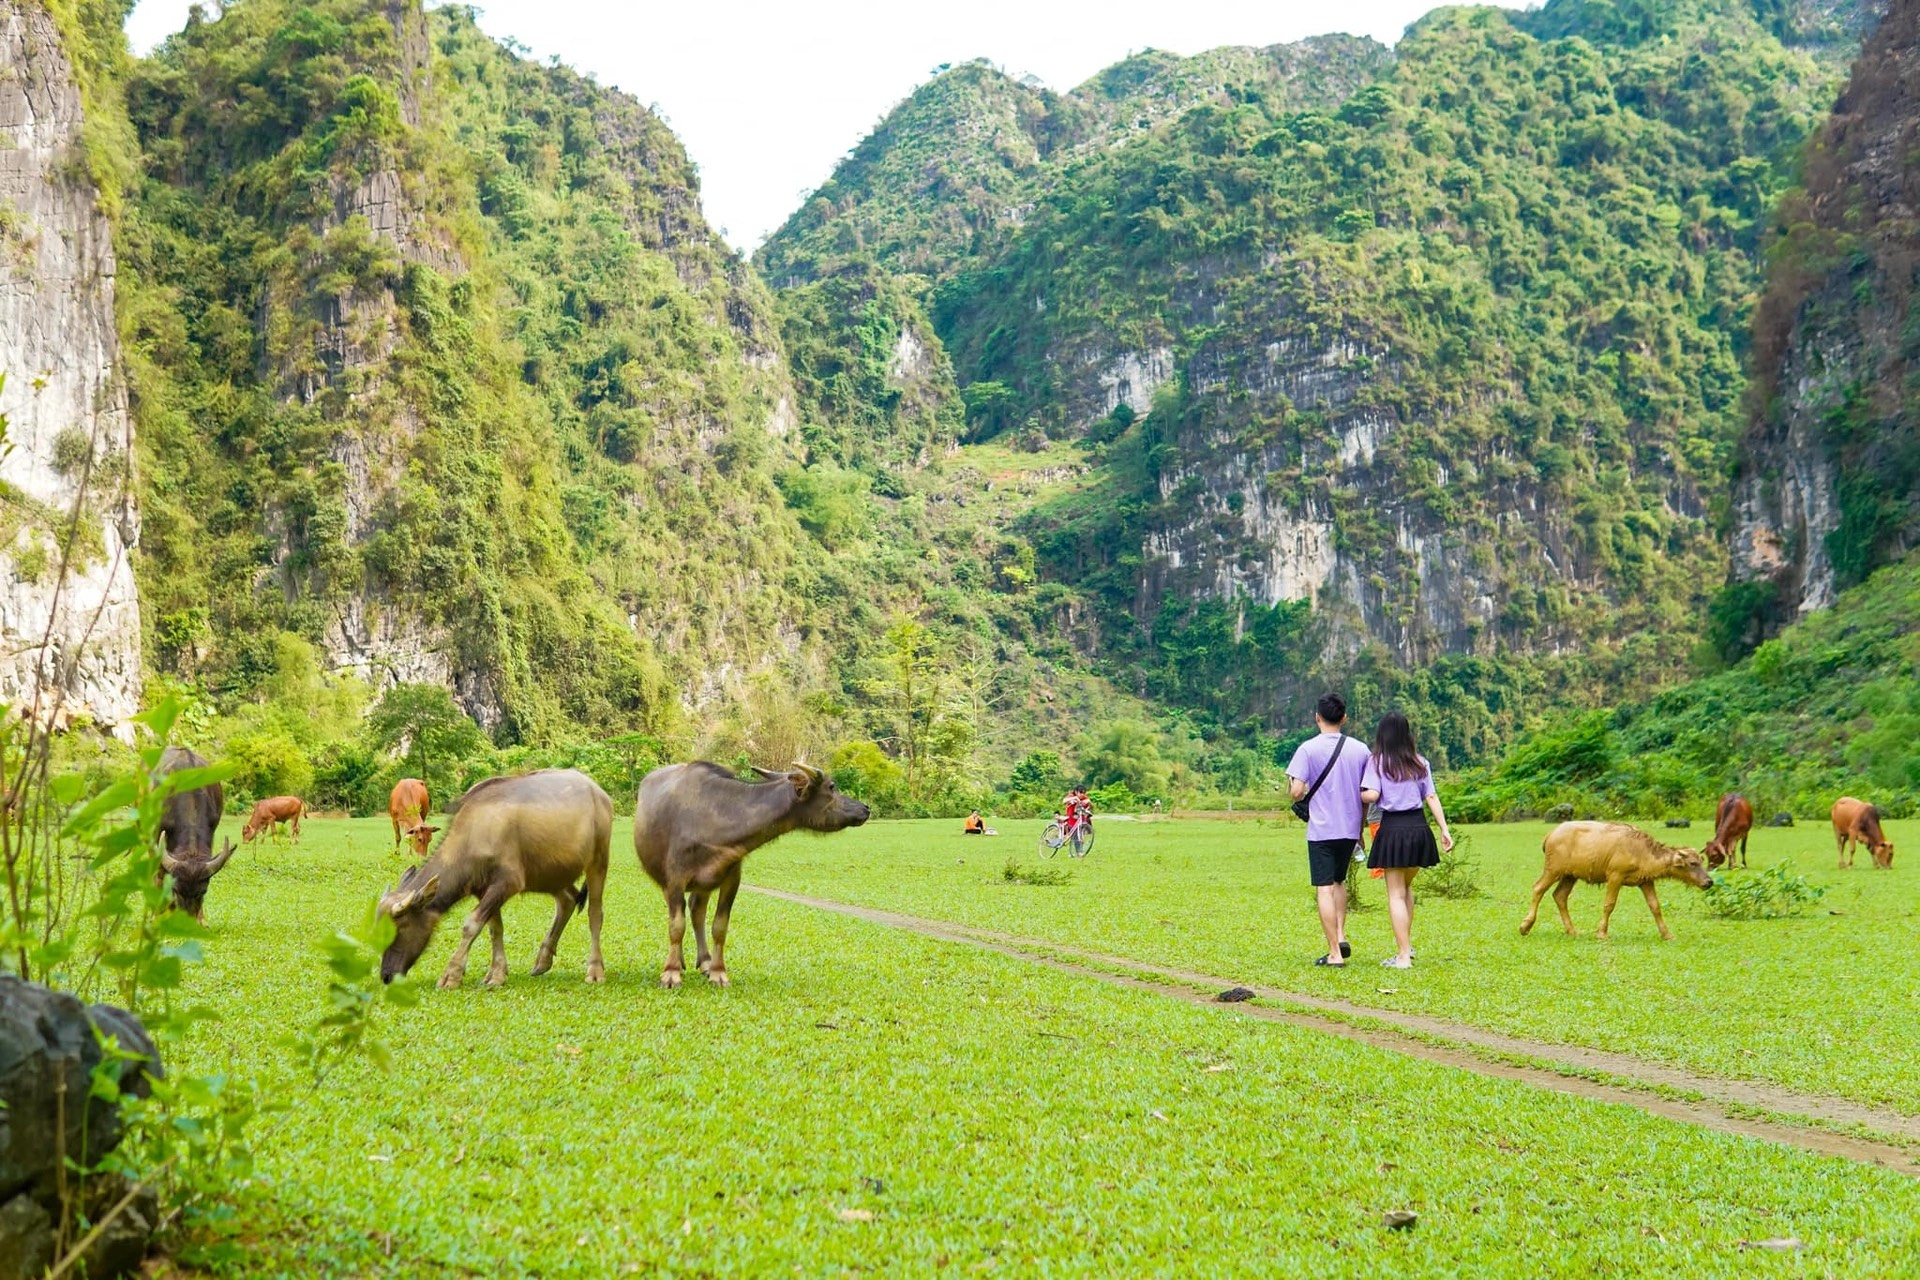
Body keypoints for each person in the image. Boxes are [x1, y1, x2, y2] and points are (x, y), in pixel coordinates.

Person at [1360, 711, 1455, 970]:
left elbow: (1373, 794)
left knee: (1395, 894)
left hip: (1393, 828)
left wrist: (1359, 793)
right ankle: (1406, 948)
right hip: (1418, 827)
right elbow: (1431, 797)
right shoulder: (1419, 762)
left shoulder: (1377, 762)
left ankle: (1402, 956)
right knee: (1406, 888)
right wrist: (1444, 830)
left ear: (1382, 735)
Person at [1286, 693, 1369, 968]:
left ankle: (1334, 952)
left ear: (1317, 717)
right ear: (1344, 718)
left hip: (1321, 830)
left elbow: (1297, 791)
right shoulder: (1360, 750)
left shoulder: (1307, 749)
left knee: (1323, 889)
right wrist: (1360, 829)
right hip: (1349, 828)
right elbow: (1366, 791)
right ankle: (1341, 934)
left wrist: (1296, 789)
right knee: (1339, 882)